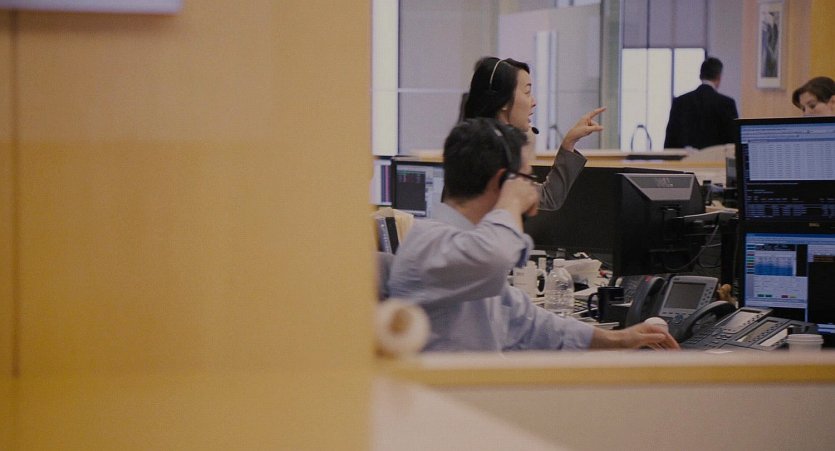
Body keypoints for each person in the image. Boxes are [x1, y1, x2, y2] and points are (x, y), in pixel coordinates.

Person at [386, 118, 680, 352]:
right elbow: (495, 257)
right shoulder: (430, 243)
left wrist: (622, 339)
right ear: (503, 181)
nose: (532, 191)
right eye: (528, 179)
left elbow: (529, 323)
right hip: (446, 404)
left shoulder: (468, 248)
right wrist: (512, 201)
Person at [463, 56, 604, 211]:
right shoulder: (485, 156)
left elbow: (547, 197)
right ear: (504, 101)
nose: (534, 102)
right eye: (527, 92)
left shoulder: (491, 146)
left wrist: (569, 142)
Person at [664, 57, 739, 149]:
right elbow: (734, 141)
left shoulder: (680, 102)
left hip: (686, 158)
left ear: (700, 76)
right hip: (717, 158)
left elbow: (670, 141)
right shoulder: (727, 104)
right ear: (719, 77)